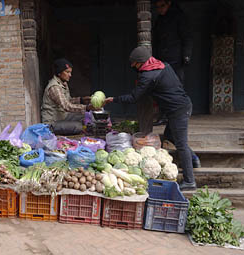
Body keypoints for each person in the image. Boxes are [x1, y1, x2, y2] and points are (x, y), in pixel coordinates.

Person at [104, 46, 198, 190]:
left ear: (140, 62)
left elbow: (134, 97)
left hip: (178, 111)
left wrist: (114, 99)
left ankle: (190, 181)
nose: (131, 66)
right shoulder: (163, 65)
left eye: (134, 63)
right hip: (182, 106)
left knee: (181, 144)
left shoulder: (147, 76)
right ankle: (193, 160)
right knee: (169, 136)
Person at [152, 0, 193, 126]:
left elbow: (186, 37)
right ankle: (163, 115)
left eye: (162, 6)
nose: (160, 9)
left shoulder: (179, 17)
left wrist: (186, 55)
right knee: (161, 88)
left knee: (177, 88)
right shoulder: (159, 20)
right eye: (157, 7)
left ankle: (178, 116)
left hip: (176, 59)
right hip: (162, 60)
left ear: (169, 4)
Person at [41, 58, 97, 135]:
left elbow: (68, 100)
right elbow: (66, 106)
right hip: (52, 123)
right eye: (67, 72)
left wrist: (81, 100)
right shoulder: (54, 87)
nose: (70, 75)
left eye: (70, 72)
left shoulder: (63, 83)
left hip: (62, 116)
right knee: (78, 126)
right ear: (59, 73)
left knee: (87, 116)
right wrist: (86, 107)